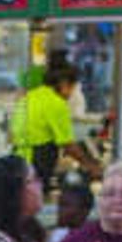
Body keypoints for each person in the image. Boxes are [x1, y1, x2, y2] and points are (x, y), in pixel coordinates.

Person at [9, 53, 79, 193]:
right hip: (37, 163)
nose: (72, 94)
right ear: (64, 84)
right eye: (73, 88)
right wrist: (92, 166)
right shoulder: (56, 103)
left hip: (16, 162)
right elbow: (68, 145)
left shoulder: (31, 96)